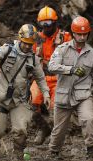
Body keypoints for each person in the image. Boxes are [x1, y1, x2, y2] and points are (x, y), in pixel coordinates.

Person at [47, 16, 93, 159]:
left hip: (83, 95)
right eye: (79, 34)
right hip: (63, 94)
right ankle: (54, 152)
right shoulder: (62, 49)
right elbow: (51, 67)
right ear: (73, 33)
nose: (82, 37)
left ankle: (90, 152)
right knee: (59, 128)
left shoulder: (92, 54)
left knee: (89, 119)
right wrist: (70, 69)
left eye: (85, 34)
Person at [0, 24, 50, 160]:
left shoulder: (34, 59)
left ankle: (19, 154)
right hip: (0, 97)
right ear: (20, 39)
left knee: (20, 129)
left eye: (30, 44)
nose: (27, 47)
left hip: (19, 99)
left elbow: (41, 78)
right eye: (25, 43)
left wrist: (46, 94)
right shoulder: (6, 50)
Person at [30, 6, 72, 145]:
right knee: (31, 106)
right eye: (42, 23)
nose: (45, 27)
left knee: (56, 111)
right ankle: (43, 129)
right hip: (41, 78)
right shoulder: (36, 38)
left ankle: (56, 142)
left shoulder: (65, 37)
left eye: (48, 23)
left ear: (54, 23)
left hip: (59, 79)